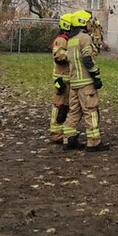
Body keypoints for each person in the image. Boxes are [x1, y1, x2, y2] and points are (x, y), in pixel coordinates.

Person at [61, 10, 108, 152]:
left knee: (74, 112)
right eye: (88, 21)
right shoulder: (84, 38)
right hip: (86, 83)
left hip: (74, 82)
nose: (89, 24)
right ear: (82, 22)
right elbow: (88, 59)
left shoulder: (71, 40)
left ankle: (68, 139)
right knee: (90, 111)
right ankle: (94, 142)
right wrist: (96, 77)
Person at [49, 13, 72, 144]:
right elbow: (59, 57)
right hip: (61, 80)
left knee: (66, 106)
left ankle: (62, 131)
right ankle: (56, 133)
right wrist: (74, 54)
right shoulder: (62, 40)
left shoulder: (67, 39)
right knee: (60, 106)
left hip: (67, 78)